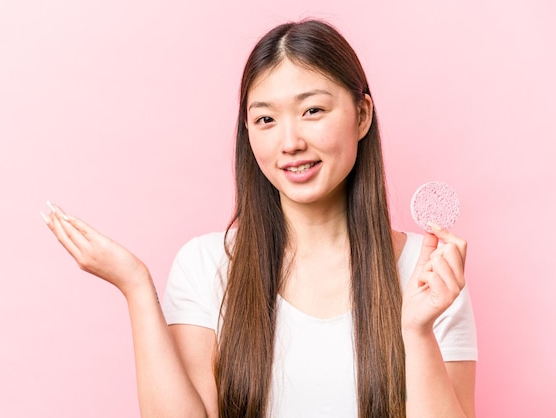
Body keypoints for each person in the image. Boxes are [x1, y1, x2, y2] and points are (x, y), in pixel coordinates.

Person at [42, 19, 477, 418]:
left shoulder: (430, 271)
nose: (289, 142)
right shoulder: (206, 265)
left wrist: (417, 332)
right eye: (265, 119)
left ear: (362, 115)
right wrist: (135, 286)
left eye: (312, 111)